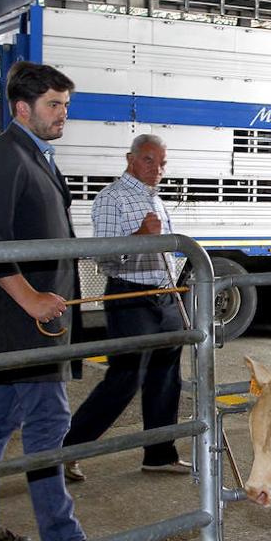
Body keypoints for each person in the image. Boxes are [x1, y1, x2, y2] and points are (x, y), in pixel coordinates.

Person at [0, 60, 125, 541]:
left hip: (33, 321)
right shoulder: (4, 158)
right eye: (54, 105)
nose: (62, 114)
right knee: (48, 424)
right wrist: (30, 297)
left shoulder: (34, 155)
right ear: (21, 107)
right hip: (23, 321)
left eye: (65, 105)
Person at [62, 134, 190, 481]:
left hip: (164, 296)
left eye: (162, 163)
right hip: (129, 297)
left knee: (166, 377)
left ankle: (160, 453)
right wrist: (139, 236)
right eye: (149, 161)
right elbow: (104, 256)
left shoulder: (157, 200)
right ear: (130, 159)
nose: (157, 170)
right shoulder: (111, 198)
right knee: (124, 378)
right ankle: (68, 450)